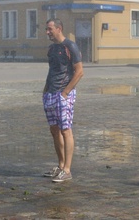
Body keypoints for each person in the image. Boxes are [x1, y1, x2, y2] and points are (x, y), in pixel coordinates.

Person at [42, 18, 84, 182]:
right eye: (46, 29)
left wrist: (65, 93)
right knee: (54, 130)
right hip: (50, 94)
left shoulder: (70, 46)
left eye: (49, 29)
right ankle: (60, 166)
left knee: (66, 130)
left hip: (63, 93)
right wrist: (45, 90)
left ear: (59, 28)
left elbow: (79, 71)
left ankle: (67, 170)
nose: (47, 32)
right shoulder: (52, 48)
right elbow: (51, 70)